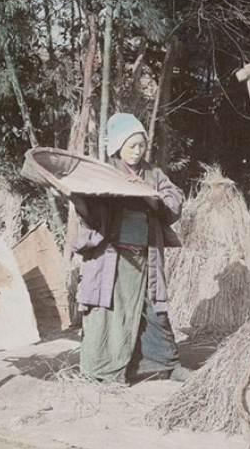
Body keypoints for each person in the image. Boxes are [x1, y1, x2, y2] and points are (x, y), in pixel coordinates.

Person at [71, 113, 193, 385]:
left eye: (141, 146)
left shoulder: (153, 174)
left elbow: (174, 201)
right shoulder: (105, 171)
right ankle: (104, 372)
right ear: (117, 145)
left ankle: (165, 365)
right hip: (113, 258)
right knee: (112, 314)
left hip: (146, 256)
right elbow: (91, 213)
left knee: (153, 310)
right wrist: (76, 198)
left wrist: (152, 197)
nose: (137, 152)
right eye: (131, 146)